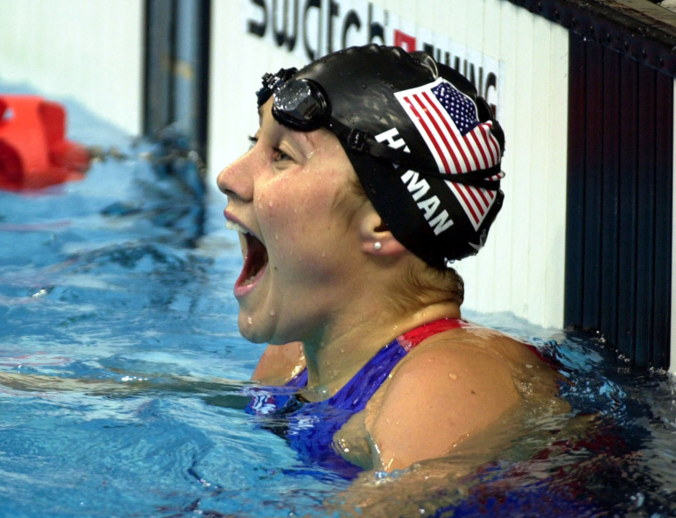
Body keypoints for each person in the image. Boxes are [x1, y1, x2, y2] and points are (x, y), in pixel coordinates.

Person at [217, 45, 562, 479]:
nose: (229, 176)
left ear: (382, 222)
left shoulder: (444, 383)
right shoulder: (295, 355)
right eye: (255, 143)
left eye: (282, 155)